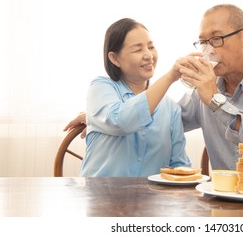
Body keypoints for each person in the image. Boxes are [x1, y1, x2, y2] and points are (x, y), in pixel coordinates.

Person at [65, 4, 243, 183]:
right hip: (226, 199)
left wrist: (216, 101)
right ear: (114, 58)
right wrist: (100, 116)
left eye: (217, 39)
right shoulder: (205, 90)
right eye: (203, 42)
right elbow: (161, 118)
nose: (208, 49)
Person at [74, 18, 190, 177]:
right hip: (101, 197)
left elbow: (180, 166)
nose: (149, 55)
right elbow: (120, 121)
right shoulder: (100, 87)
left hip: (152, 200)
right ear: (115, 58)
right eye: (137, 49)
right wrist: (170, 77)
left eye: (151, 47)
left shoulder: (171, 108)